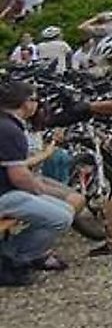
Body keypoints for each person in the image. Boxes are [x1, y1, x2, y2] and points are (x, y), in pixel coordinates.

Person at [0, 81, 82, 286]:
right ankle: (12, 256)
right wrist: (41, 190)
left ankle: (16, 255)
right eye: (35, 99)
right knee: (60, 217)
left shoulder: (8, 124)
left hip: (8, 189)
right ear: (25, 103)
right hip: (4, 193)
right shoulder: (9, 129)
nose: (38, 104)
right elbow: (19, 176)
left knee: (66, 208)